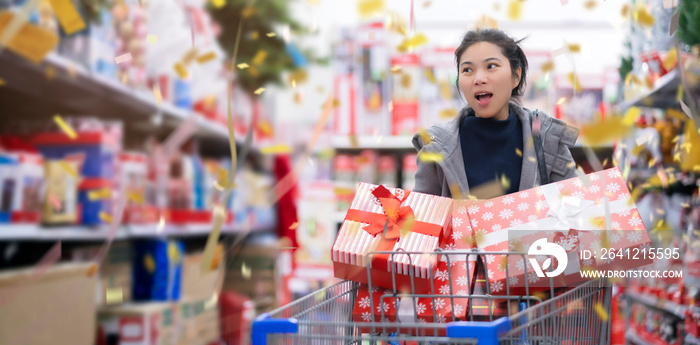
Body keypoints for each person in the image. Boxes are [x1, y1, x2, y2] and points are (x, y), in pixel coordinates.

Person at [412, 28, 580, 197]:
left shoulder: (546, 137)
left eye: (491, 66)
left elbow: (576, 205)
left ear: (516, 75)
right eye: (467, 70)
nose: (479, 79)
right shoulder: (436, 147)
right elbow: (420, 219)